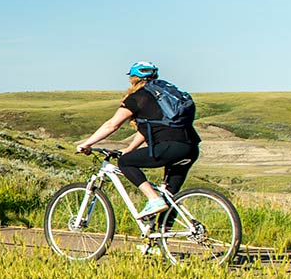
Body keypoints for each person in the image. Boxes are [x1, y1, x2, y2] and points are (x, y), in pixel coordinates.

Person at [74, 61, 201, 225]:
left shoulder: (137, 98)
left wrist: (87, 143)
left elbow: (112, 125)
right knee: (169, 197)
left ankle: (152, 199)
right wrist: (130, 148)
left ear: (133, 78)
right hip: (190, 147)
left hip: (170, 146)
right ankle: (159, 241)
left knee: (125, 162)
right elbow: (147, 129)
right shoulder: (163, 95)